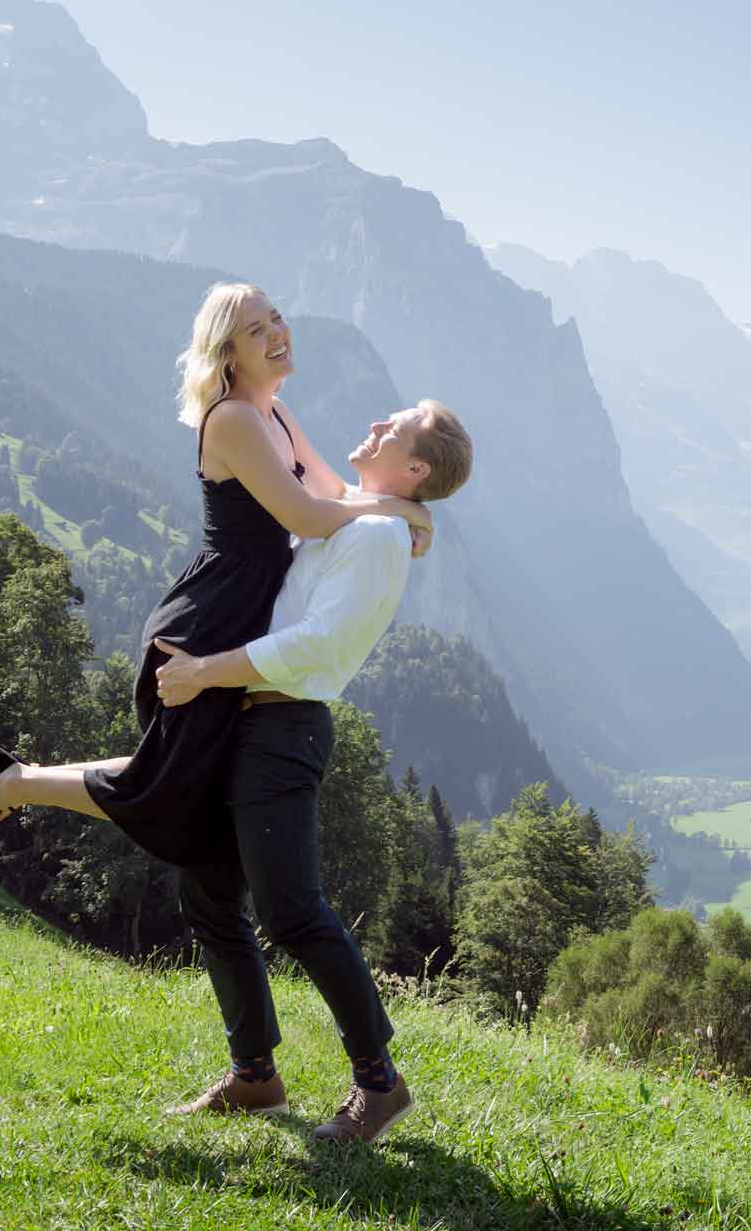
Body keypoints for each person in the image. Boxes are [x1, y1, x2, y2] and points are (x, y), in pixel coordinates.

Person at [0, 282, 431, 863]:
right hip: (210, 618)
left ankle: (14, 780)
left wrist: (399, 509)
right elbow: (308, 516)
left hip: (244, 612)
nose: (277, 334)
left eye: (276, 319)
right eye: (256, 331)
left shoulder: (275, 414)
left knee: (177, 781)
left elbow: (334, 494)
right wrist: (404, 508)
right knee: (162, 789)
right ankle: (11, 784)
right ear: (228, 354)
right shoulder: (233, 420)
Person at [148, 398, 472, 1144]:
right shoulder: (363, 516)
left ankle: (379, 1084)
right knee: (207, 895)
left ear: (415, 467)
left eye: (392, 428)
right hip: (247, 720)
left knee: (293, 913)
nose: (374, 424)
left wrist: (204, 673)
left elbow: (317, 645)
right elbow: (300, 464)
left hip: (281, 727)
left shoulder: (382, 538)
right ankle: (253, 1076)